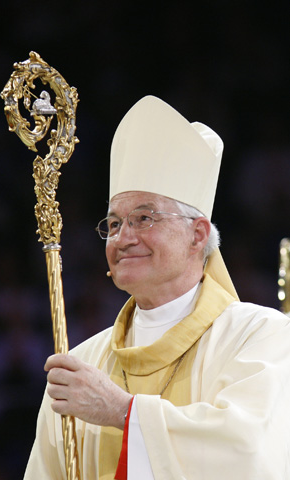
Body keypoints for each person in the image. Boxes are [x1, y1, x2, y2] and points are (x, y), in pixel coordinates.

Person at [23, 96, 290, 480]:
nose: (123, 238)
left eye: (144, 218)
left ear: (197, 234)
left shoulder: (260, 337)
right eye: (113, 225)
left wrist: (122, 412)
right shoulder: (83, 364)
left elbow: (250, 453)